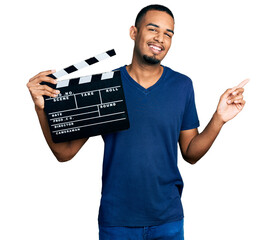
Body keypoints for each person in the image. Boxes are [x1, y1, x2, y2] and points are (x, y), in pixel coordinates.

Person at [26, 4, 248, 240]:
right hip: (117, 221)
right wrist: (40, 108)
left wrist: (219, 119)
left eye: (168, 34)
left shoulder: (182, 86)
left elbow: (190, 153)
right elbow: (64, 152)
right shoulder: (105, 86)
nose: (160, 39)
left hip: (168, 220)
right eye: (153, 29)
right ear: (134, 32)